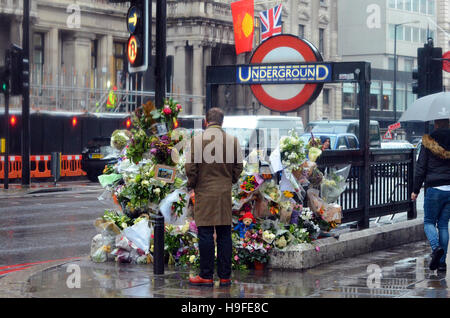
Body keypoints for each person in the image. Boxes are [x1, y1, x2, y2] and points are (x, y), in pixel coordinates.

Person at [185, 107, 243, 287]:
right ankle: (225, 277)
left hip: (204, 192)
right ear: (222, 122)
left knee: (205, 234)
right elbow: (238, 166)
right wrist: (229, 180)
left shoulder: (197, 140)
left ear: (205, 120)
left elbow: (190, 168)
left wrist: (193, 184)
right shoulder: (233, 141)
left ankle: (206, 275)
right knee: (225, 234)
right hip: (224, 194)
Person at [411, 118, 450, 272]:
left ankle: (436, 248)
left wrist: (415, 189)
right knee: (443, 225)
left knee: (428, 222)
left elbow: (421, 167)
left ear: (436, 124)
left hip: (434, 188)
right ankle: (442, 263)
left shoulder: (428, 141)